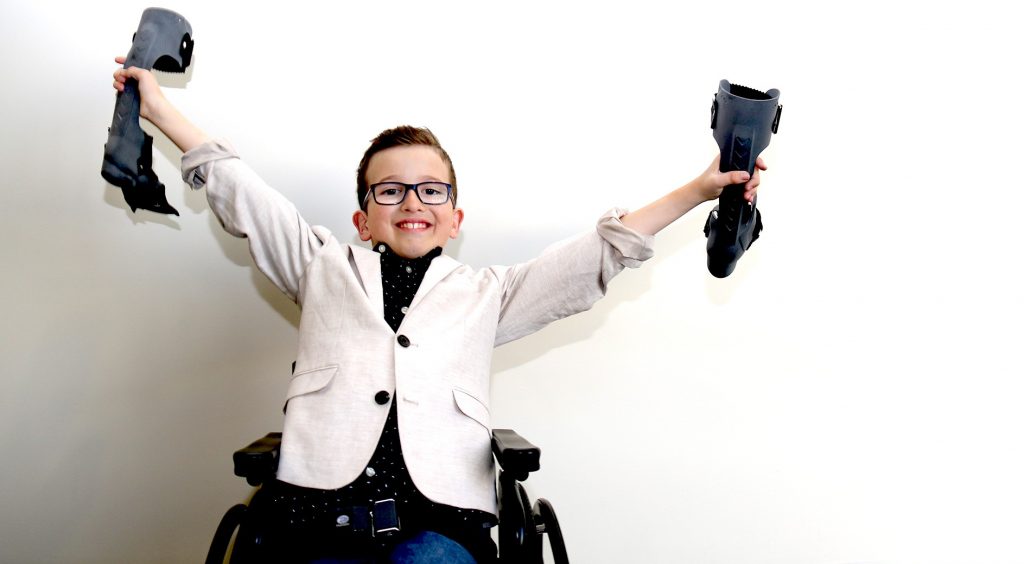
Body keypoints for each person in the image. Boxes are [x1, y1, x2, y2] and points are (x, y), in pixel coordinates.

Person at [112, 57, 766, 563]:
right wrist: (158, 106)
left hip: (440, 525)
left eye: (430, 189)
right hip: (314, 518)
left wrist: (700, 190)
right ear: (362, 218)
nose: (411, 202)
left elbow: (602, 252)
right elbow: (237, 187)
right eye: (389, 190)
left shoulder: (488, 293)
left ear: (454, 217)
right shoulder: (319, 266)